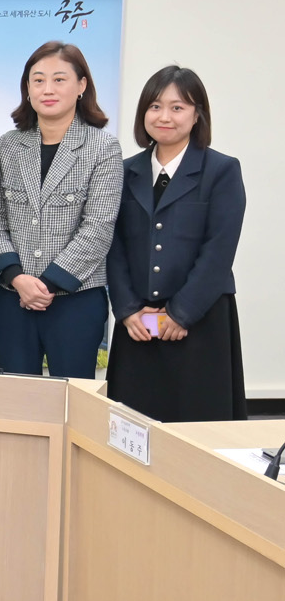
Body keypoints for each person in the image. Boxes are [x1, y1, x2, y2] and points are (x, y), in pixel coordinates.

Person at [106, 67, 246, 420]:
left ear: (197, 115)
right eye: (155, 106)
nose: (164, 116)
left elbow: (219, 251)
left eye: (178, 107)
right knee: (132, 429)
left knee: (198, 428)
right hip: (138, 324)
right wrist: (127, 310)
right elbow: (114, 246)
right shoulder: (124, 171)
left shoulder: (221, 170)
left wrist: (180, 314)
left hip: (199, 320)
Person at [0, 41, 122, 379]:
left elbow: (98, 228)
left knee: (72, 398)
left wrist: (45, 286)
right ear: (27, 89)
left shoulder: (103, 147)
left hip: (76, 299)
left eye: (59, 79)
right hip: (13, 297)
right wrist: (18, 279)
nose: (48, 89)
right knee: (17, 398)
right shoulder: (8, 145)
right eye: (38, 80)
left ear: (81, 85)